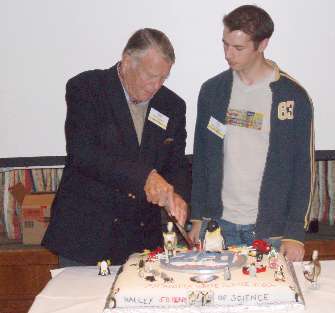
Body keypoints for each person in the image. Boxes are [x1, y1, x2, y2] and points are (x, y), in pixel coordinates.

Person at [42, 28, 188, 266]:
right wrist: (146, 177)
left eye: (164, 78)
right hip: (87, 237)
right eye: (151, 76)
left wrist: (178, 195)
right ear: (127, 60)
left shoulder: (172, 105)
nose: (156, 86)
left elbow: (176, 164)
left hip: (140, 241)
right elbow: (84, 154)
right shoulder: (87, 88)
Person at [189, 5, 315, 261]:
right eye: (225, 44)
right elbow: (202, 159)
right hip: (218, 226)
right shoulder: (212, 91)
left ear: (263, 44)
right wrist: (197, 217)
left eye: (238, 48)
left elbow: (304, 170)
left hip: (271, 231)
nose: (228, 54)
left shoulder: (292, 96)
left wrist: (294, 233)